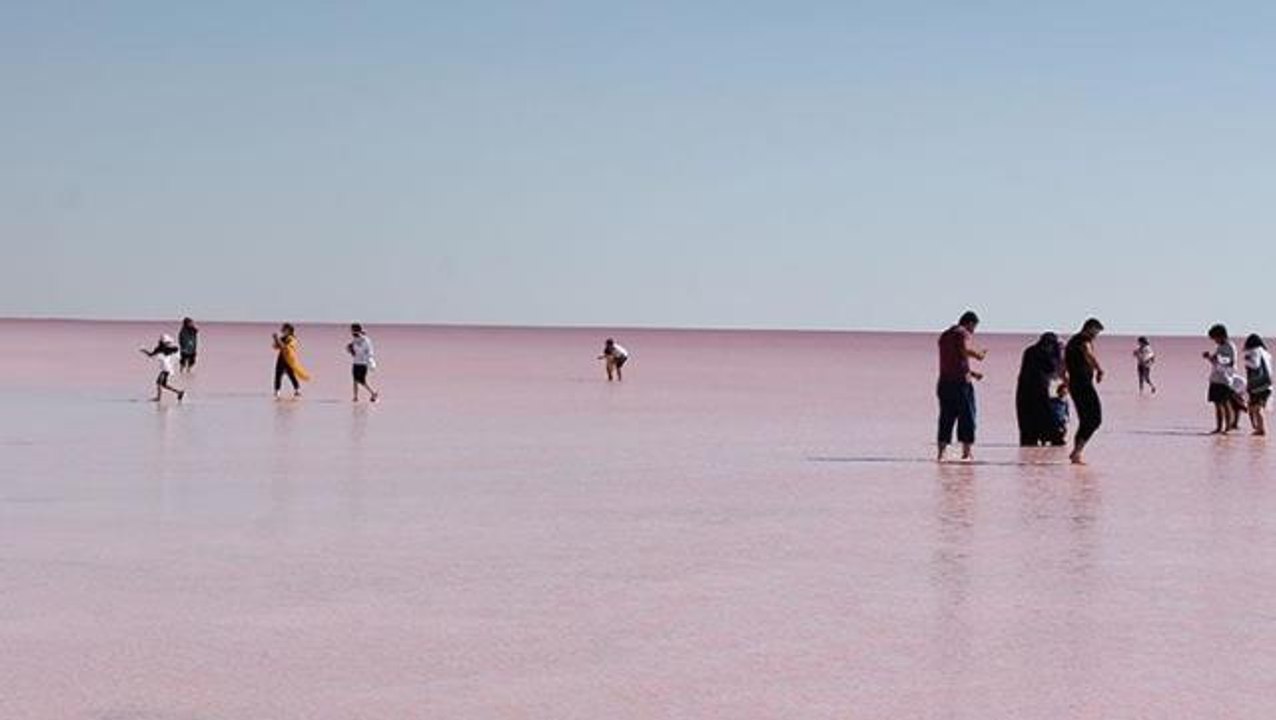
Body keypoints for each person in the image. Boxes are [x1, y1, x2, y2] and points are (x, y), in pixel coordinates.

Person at [936, 311, 987, 462]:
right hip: (961, 385)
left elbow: (954, 361)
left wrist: (972, 373)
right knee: (967, 417)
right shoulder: (962, 333)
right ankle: (966, 453)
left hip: (944, 382)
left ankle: (941, 453)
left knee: (946, 417)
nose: (973, 332)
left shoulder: (944, 335)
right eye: (974, 327)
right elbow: (964, 350)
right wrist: (978, 355)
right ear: (970, 323)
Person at [1064, 318, 1105, 465]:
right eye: (1096, 332)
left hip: (1076, 384)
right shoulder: (1083, 340)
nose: (1096, 336)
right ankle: (1077, 452)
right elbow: (1088, 353)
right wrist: (1099, 369)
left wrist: (1066, 382)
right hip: (1083, 384)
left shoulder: (1071, 342)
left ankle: (1076, 453)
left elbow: (1063, 365)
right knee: (1095, 418)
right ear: (1090, 328)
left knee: (1086, 419)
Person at [1016, 332, 1064, 446]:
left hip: (1023, 389)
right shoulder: (1046, 353)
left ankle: (1030, 441)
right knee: (1045, 413)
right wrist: (1060, 352)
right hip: (1039, 388)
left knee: (1027, 416)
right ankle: (1051, 437)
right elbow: (1055, 370)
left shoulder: (1030, 351)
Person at [1203, 324, 1239, 434]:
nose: (1215, 341)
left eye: (1215, 338)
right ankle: (1218, 428)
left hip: (1225, 379)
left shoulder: (1230, 346)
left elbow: (1231, 362)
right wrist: (1209, 358)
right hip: (1215, 378)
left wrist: (1217, 358)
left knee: (1225, 403)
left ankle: (1227, 428)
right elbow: (1216, 362)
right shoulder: (1220, 347)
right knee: (1217, 404)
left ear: (1221, 335)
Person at [139, 334, 185, 403]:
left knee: (159, 383)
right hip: (167, 368)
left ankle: (158, 398)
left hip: (166, 368)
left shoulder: (160, 349)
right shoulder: (169, 349)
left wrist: (144, 351)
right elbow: (177, 350)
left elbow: (150, 355)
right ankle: (179, 392)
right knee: (163, 384)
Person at [272, 323, 311, 399]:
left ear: (289, 330)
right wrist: (276, 339)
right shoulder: (283, 338)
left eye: (284, 329)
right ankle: (277, 392)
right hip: (281, 358)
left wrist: (277, 339)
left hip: (289, 359)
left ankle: (297, 390)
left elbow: (285, 347)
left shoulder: (292, 339)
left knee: (291, 375)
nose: (282, 330)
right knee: (278, 375)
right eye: (282, 329)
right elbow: (276, 347)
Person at [1243, 334, 1272, 436]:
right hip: (1267, 384)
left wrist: (1246, 360)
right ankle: (1258, 428)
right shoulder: (1266, 353)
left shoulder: (1254, 351)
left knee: (1256, 408)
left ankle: (1261, 429)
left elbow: (1255, 365)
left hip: (1258, 386)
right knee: (1256, 407)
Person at [347, 323, 379, 403]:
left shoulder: (366, 340)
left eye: (352, 330)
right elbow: (353, 351)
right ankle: (355, 397)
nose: (351, 332)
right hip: (356, 362)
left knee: (361, 381)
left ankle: (373, 393)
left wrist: (370, 361)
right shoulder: (354, 339)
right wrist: (350, 349)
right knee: (355, 380)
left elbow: (369, 351)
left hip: (363, 363)